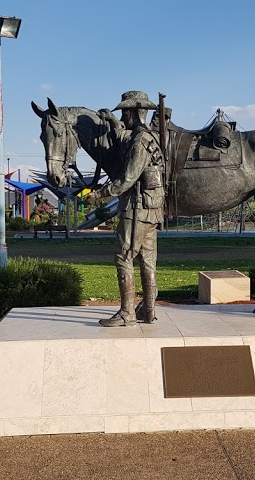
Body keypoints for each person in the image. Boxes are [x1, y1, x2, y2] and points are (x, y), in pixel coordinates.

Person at [88, 90, 166, 327]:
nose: (123, 117)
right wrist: (113, 123)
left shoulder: (139, 142)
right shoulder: (149, 137)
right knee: (148, 258)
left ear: (133, 112)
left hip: (137, 208)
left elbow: (127, 179)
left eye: (124, 113)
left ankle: (127, 313)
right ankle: (149, 311)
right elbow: (124, 135)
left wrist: (99, 195)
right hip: (153, 209)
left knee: (124, 256)